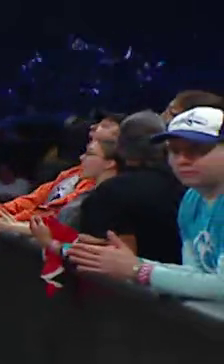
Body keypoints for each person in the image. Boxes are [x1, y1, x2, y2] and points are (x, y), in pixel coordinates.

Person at [68, 106, 224, 302]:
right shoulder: (192, 199)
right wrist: (125, 263)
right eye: (174, 151)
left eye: (198, 150)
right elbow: (194, 273)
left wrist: (138, 269)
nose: (182, 160)